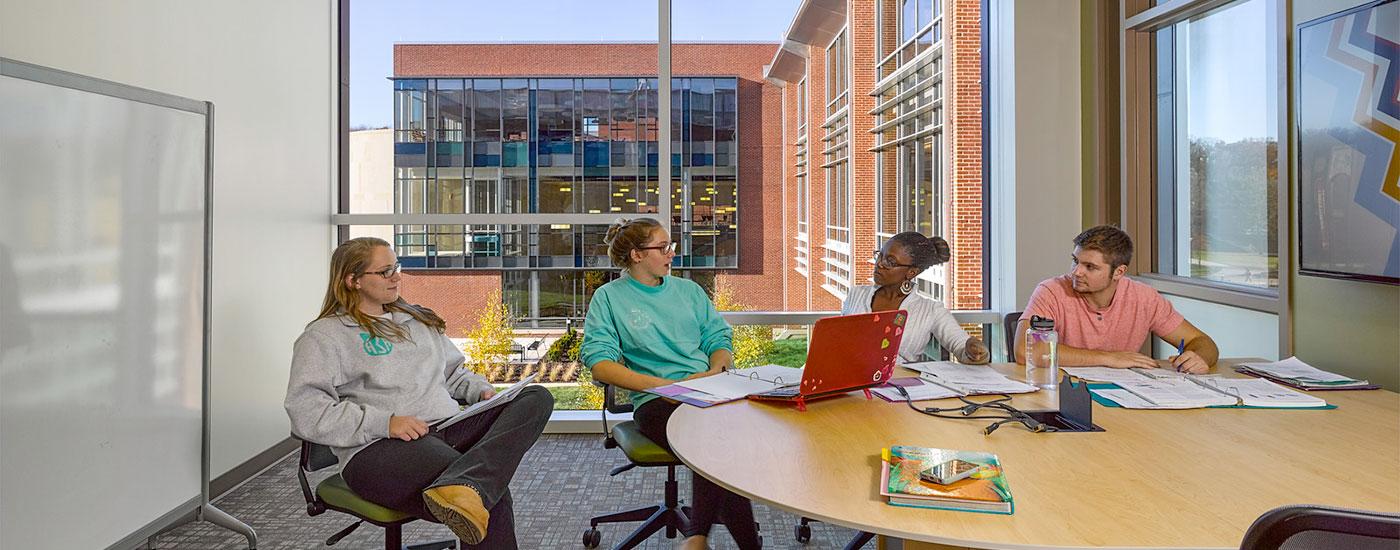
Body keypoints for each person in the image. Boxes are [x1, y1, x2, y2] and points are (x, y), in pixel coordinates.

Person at [285, 237, 553, 548]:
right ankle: (469, 488)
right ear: (353, 280)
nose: (397, 277)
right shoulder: (324, 336)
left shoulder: (416, 319)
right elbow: (306, 411)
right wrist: (385, 422)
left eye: (396, 268)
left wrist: (479, 390)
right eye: (385, 272)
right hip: (379, 448)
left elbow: (452, 373)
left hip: (445, 429)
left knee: (535, 397)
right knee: (489, 499)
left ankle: (468, 486)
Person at [580, 218, 760, 550]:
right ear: (636, 255)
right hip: (655, 402)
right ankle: (708, 539)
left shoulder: (689, 291)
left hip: (707, 391)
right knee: (714, 441)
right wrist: (664, 387)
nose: (671, 254)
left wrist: (717, 369)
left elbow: (717, 338)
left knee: (726, 437)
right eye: (663, 248)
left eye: (670, 246)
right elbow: (600, 362)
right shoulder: (609, 298)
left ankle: (697, 538)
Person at [1014, 225, 1219, 373]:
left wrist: (1199, 358)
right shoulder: (1051, 291)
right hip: (1061, 392)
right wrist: (1108, 358)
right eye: (1075, 261)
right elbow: (1026, 351)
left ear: (1119, 272)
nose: (1076, 272)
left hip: (1123, 396)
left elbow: (1203, 342)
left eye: (1090, 267)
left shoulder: (1144, 298)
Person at [844, 232, 990, 364]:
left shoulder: (931, 310)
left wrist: (975, 352)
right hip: (851, 384)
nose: (880, 264)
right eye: (880, 255)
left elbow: (960, 346)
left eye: (890, 261)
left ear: (911, 272)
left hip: (899, 386)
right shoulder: (856, 294)